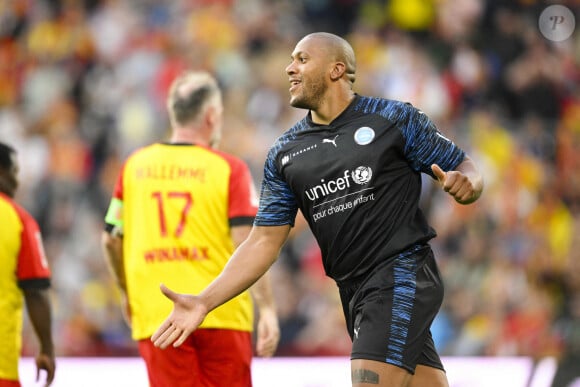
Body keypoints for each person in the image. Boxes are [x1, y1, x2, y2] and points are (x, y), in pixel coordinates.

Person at [151, 32, 484, 387]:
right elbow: (263, 242)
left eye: (302, 59)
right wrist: (204, 301)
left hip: (401, 274)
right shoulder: (285, 153)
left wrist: (468, 187)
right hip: (353, 290)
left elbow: (465, 167)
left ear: (336, 69)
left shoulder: (393, 119)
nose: (289, 68)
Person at [101, 71, 280, 387]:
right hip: (221, 312)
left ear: (174, 114)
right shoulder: (229, 169)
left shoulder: (133, 168)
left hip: (159, 317)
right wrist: (266, 308)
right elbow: (248, 243)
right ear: (212, 117)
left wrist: (127, 294)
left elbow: (111, 239)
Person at [0, 142, 56, 387]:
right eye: (14, 173)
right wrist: (46, 348)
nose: (17, 182)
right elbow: (36, 292)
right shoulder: (17, 220)